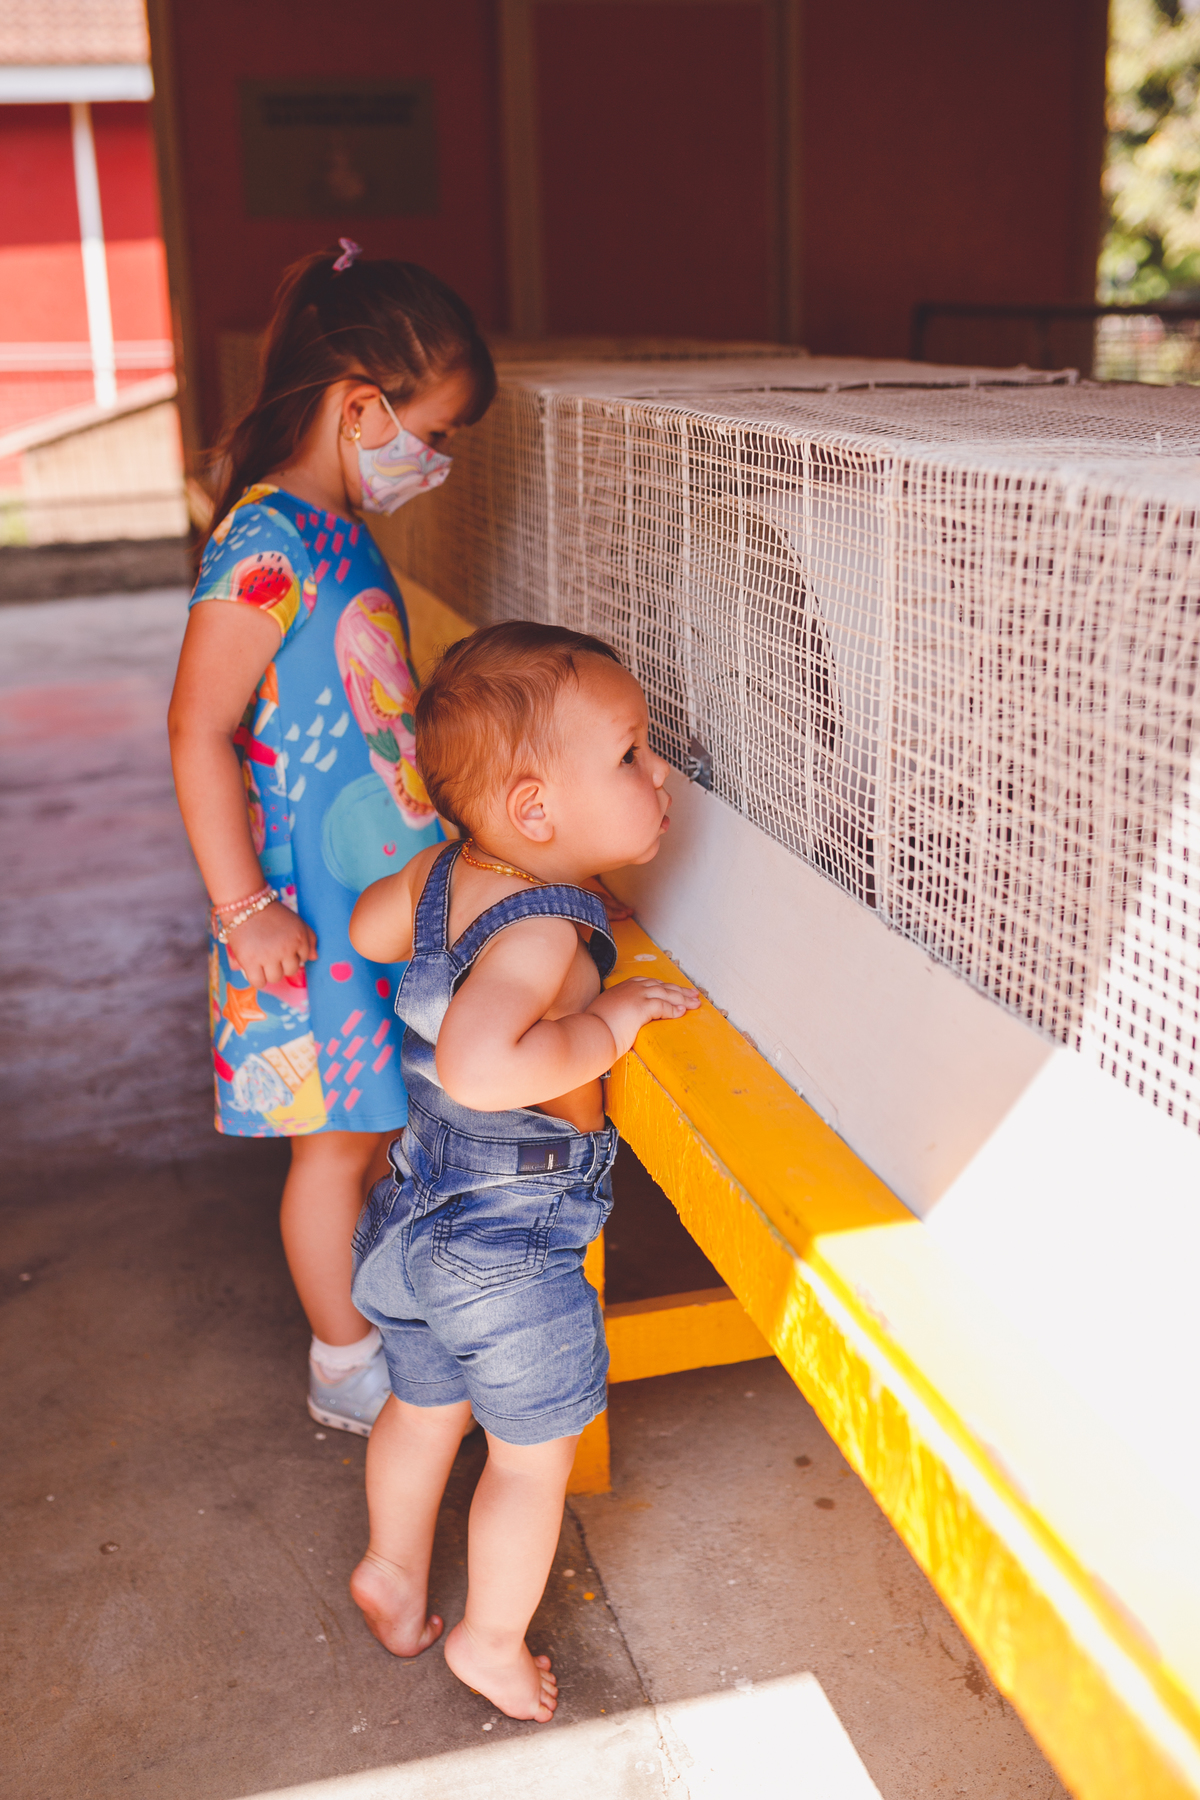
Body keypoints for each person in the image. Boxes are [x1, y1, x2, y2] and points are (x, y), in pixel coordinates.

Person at [168, 242, 496, 1436]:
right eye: (433, 433)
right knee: (333, 1148)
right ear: (362, 408)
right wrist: (243, 910)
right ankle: (345, 1364)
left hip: (363, 907)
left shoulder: (337, 531)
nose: (436, 461)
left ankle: (386, 1328)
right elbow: (197, 728)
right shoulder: (270, 542)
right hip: (296, 922)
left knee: (375, 1129)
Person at [345, 622, 701, 1720]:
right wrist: (606, 1021)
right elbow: (480, 1065)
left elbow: (369, 930)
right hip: (506, 1247)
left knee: (422, 1408)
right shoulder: (546, 932)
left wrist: (444, 913)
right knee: (530, 1459)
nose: (660, 774)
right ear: (537, 811)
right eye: (632, 755)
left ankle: (393, 1571)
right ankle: (490, 1642)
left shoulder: (445, 873)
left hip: (408, 1216)